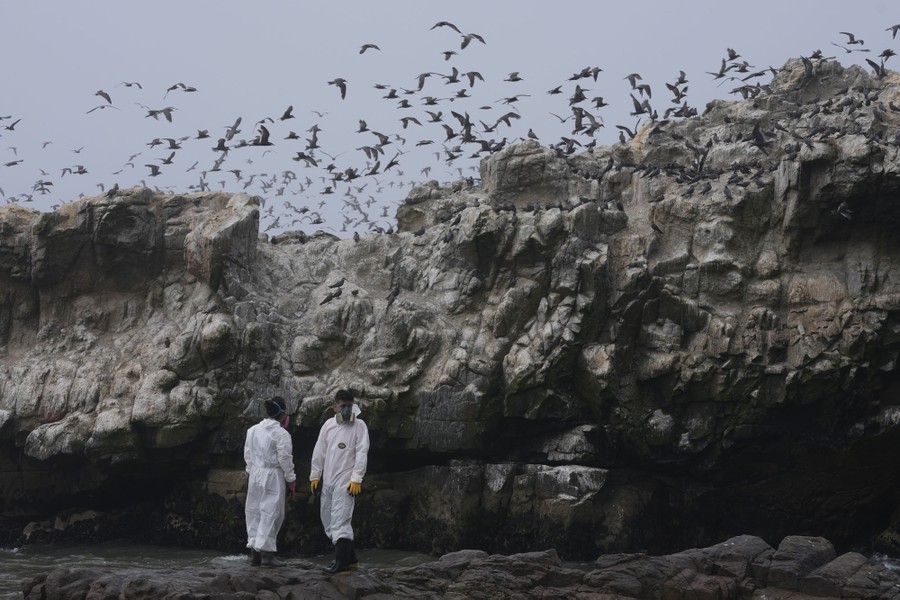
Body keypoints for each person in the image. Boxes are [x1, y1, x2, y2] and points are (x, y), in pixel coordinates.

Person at [309, 389, 370, 574]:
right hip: (328, 481)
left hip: (346, 481)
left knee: (340, 520)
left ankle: (341, 564)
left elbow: (362, 452)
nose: (347, 409)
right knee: (328, 520)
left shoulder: (359, 426)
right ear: (335, 407)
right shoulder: (328, 426)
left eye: (350, 406)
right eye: (343, 406)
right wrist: (315, 475)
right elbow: (319, 451)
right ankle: (351, 559)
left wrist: (356, 478)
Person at [244, 395, 296, 567]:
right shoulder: (281, 434)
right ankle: (267, 556)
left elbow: (248, 455)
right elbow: (285, 459)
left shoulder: (252, 430)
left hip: (255, 474)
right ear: (283, 414)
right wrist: (291, 479)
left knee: (254, 511)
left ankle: (255, 554)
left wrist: (252, 472)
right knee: (271, 512)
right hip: (273, 475)